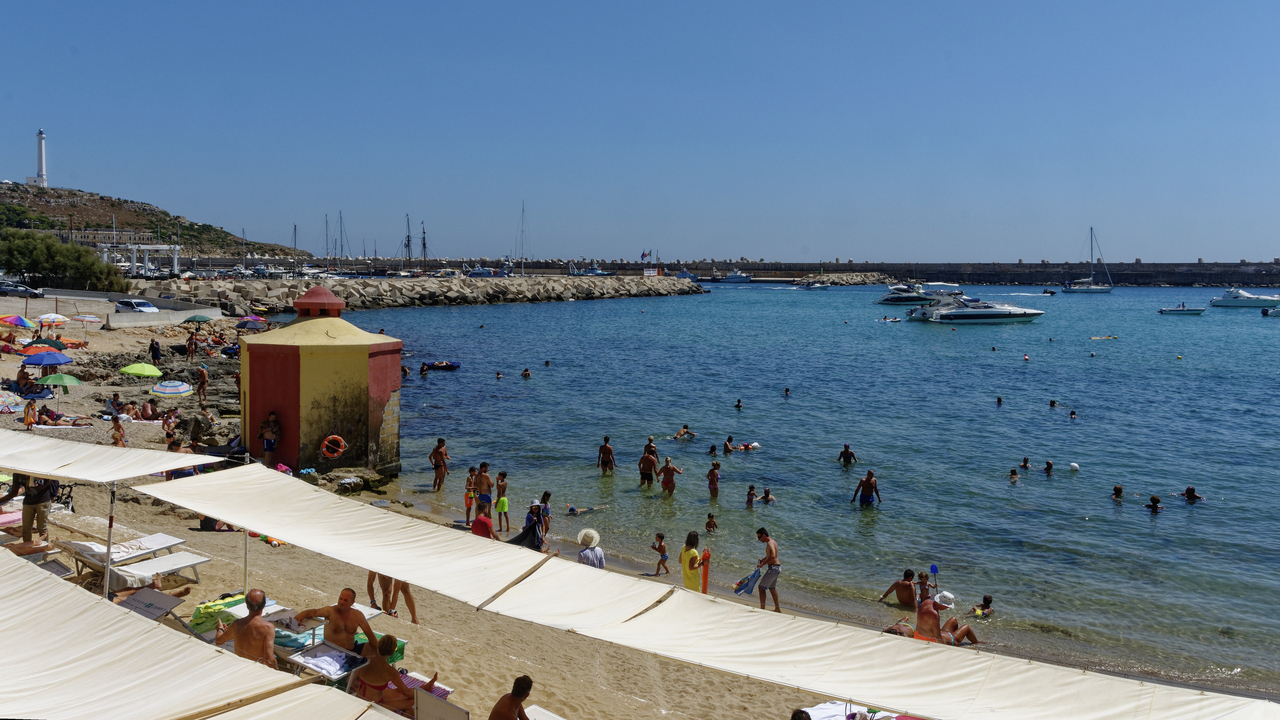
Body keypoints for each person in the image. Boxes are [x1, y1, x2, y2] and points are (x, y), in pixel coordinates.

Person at [353, 634, 429, 712]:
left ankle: (425, 688)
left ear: (378, 646)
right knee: (413, 702)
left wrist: (362, 687)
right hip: (374, 706)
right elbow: (406, 692)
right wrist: (417, 698)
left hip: (359, 699)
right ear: (392, 652)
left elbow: (350, 681)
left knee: (397, 692)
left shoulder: (365, 660)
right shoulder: (390, 671)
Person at [294, 588, 375, 655]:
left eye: (345, 600)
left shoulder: (358, 615)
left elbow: (370, 635)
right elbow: (315, 612)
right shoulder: (330, 611)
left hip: (351, 650)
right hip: (331, 651)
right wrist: (303, 613)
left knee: (378, 648)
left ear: (352, 602)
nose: (341, 602)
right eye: (340, 598)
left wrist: (380, 651)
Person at [214, 589, 278, 668]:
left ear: (247, 605)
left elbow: (218, 641)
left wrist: (220, 629)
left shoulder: (237, 624)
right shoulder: (267, 628)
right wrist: (278, 672)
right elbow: (269, 660)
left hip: (239, 667)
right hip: (254, 671)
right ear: (264, 604)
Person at [0, 473, 55, 542]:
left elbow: (48, 482)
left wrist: (35, 481)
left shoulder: (39, 470)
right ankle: (27, 546)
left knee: (41, 527)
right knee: (26, 528)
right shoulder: (17, 474)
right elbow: (14, 492)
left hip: (42, 501)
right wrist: (1, 501)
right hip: (28, 502)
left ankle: (44, 547)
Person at [915, 592, 981, 645]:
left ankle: (954, 639)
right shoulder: (934, 614)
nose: (947, 608)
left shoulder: (926, 602)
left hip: (918, 634)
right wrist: (946, 648)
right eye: (947, 606)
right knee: (966, 627)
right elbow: (937, 637)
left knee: (953, 619)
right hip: (930, 640)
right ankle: (977, 644)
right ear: (943, 604)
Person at [756, 527, 781, 612]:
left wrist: (762, 564)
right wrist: (762, 560)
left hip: (773, 568)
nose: (758, 539)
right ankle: (777, 608)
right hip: (776, 568)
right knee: (772, 588)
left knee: (761, 588)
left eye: (759, 537)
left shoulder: (770, 543)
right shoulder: (773, 542)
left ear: (764, 535)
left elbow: (773, 557)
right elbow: (769, 557)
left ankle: (762, 609)